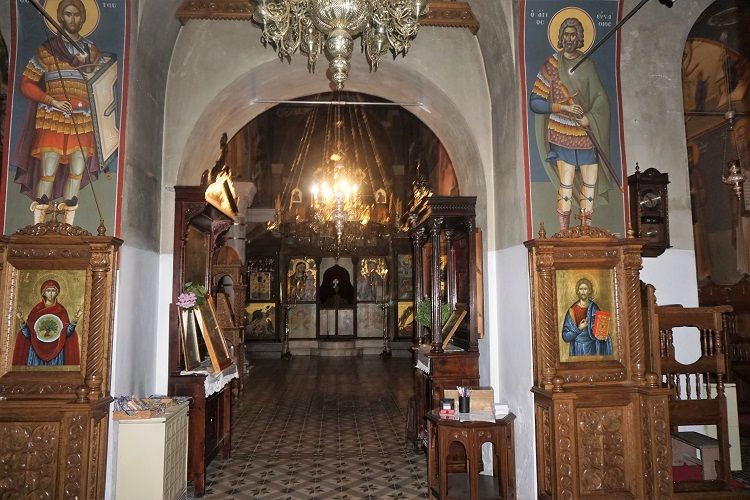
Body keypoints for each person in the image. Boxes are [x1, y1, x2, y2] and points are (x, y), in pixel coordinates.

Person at [12, 0, 102, 225]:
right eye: (68, 14)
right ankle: (38, 226)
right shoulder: (47, 50)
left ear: (83, 18)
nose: (73, 19)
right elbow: (26, 84)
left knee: (77, 170)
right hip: (53, 118)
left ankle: (68, 226)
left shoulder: (91, 51)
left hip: (83, 120)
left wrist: (89, 68)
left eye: (77, 15)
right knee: (48, 170)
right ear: (60, 18)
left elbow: (102, 84)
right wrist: (51, 100)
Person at [530, 17, 618, 230]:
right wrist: (562, 108)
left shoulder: (587, 65)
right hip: (561, 132)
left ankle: (586, 229)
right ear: (560, 37)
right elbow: (535, 102)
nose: (569, 39)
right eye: (566, 35)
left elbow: (600, 99)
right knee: (566, 183)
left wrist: (589, 117)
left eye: (573, 35)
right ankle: (564, 231)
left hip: (586, 132)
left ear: (579, 38)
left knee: (590, 183)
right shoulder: (552, 65)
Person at [12, 279, 82, 366]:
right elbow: (29, 334)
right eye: (48, 290)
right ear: (43, 293)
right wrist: (21, 319)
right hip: (36, 350)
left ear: (57, 293)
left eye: (53, 291)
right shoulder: (37, 309)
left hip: (56, 350)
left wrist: (75, 318)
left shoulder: (61, 310)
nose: (51, 293)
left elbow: (66, 333)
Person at [561, 278, 611, 356]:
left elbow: (600, 328)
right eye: (581, 289)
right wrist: (579, 328)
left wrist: (603, 334)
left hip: (593, 346)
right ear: (578, 291)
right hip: (578, 347)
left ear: (589, 291)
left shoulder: (594, 308)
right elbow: (565, 336)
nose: (583, 292)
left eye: (585, 289)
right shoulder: (572, 310)